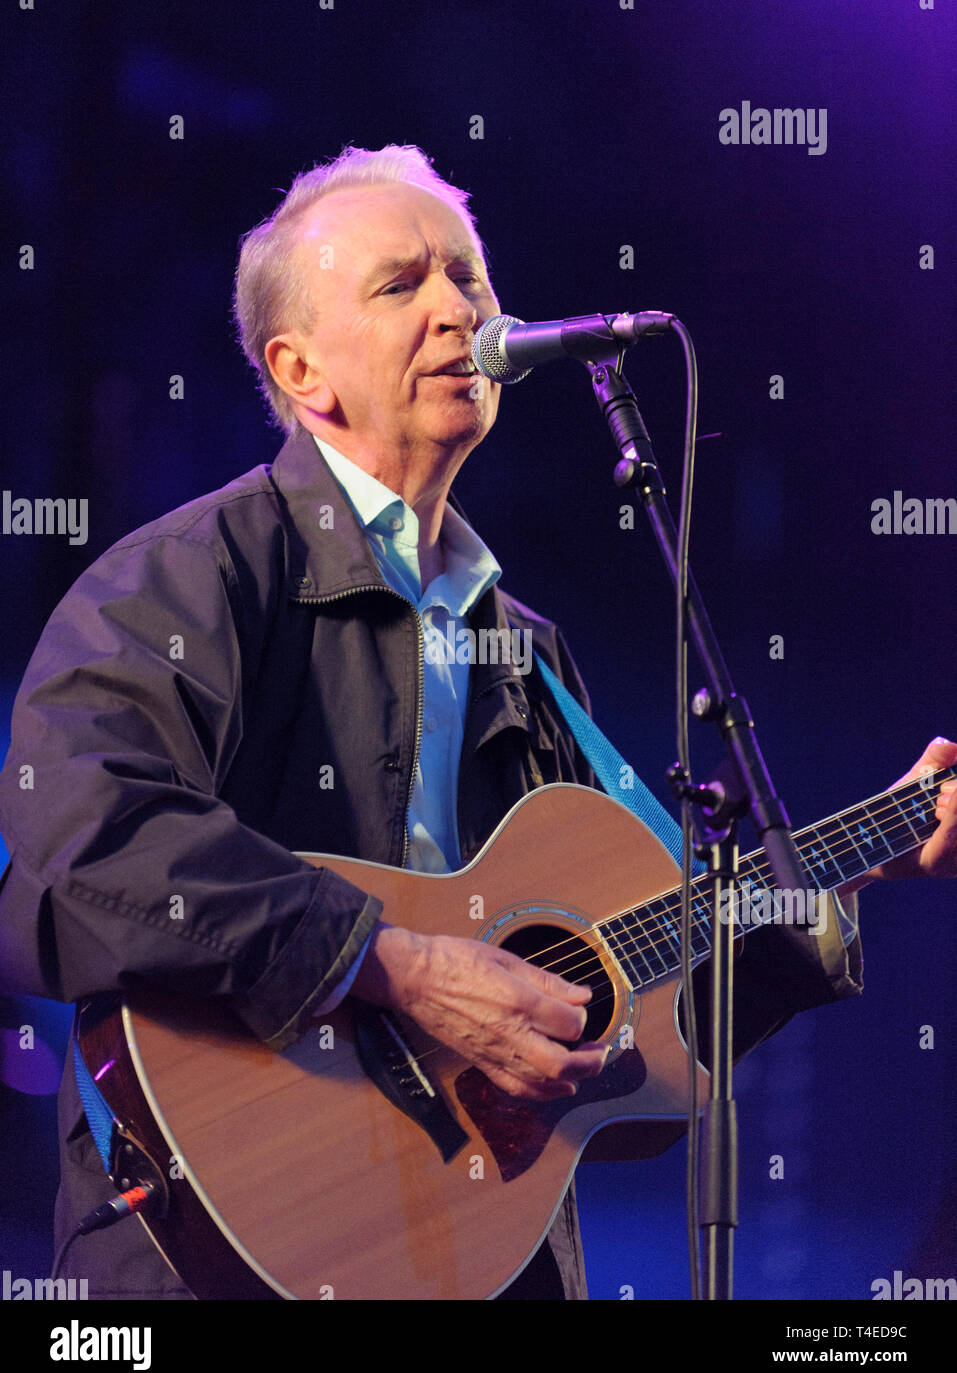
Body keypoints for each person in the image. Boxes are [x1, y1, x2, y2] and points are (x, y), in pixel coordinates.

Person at [0, 145, 954, 1301]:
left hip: (481, 1258)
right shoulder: (182, 582)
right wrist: (390, 962)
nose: (458, 308)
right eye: (403, 285)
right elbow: (83, 843)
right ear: (300, 369)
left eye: (470, 277)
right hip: (206, 1253)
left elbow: (634, 1036)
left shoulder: (529, 651)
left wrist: (842, 877)